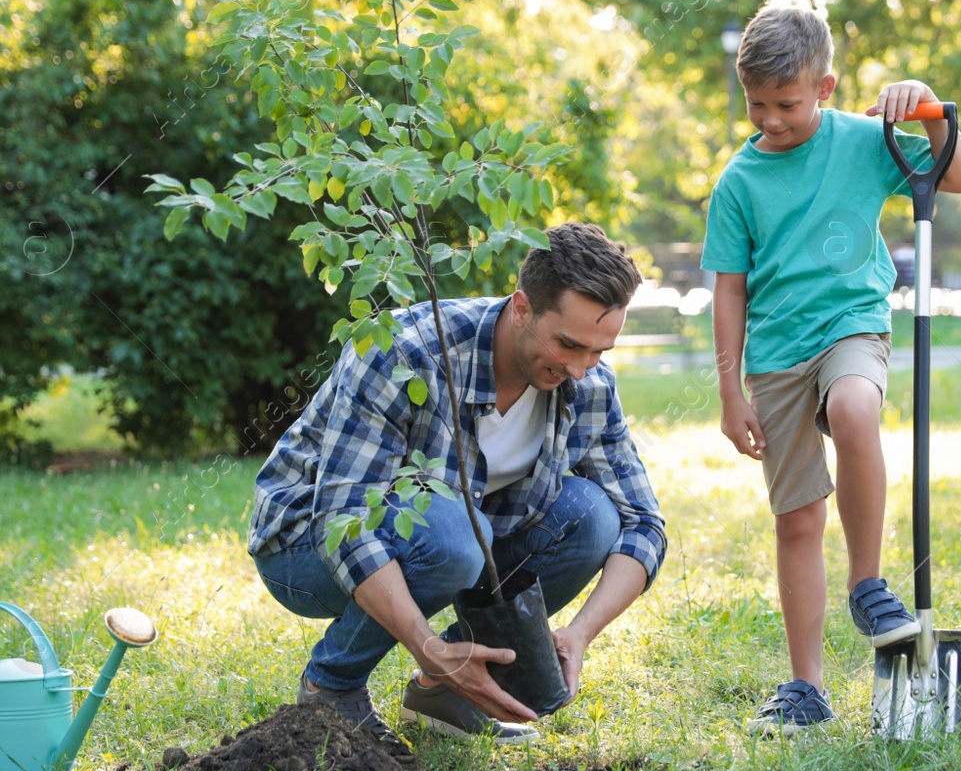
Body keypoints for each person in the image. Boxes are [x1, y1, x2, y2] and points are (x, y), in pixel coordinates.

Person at [249, 223, 667, 744]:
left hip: (452, 538)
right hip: (303, 546)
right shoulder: (403, 354)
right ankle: (331, 690)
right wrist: (428, 644)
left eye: (599, 352)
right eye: (569, 345)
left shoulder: (590, 389)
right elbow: (345, 516)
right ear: (521, 308)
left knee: (592, 518)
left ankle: (440, 694)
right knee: (453, 539)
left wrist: (580, 633)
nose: (583, 370)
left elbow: (643, 523)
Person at [703, 4, 961, 736]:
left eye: (786, 103)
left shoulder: (864, 141)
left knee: (857, 408)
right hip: (774, 355)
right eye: (756, 104)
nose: (771, 119)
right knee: (797, 519)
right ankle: (806, 686)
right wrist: (731, 391)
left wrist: (925, 107)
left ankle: (868, 583)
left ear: (825, 87)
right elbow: (729, 290)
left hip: (851, 325)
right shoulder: (738, 182)